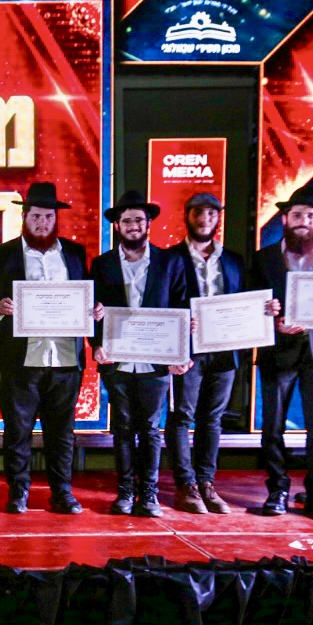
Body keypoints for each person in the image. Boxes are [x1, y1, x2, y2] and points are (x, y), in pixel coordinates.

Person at [0, 182, 99, 515]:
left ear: (55, 218)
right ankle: (18, 491)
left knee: (62, 432)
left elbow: (86, 295)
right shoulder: (1, 254)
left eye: (48, 216)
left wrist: (94, 310)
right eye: (35, 216)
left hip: (65, 357)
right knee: (17, 430)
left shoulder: (74, 253)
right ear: (24, 217)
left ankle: (62, 492)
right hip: (19, 358)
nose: (42, 223)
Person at [250, 186, 313, 526]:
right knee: (273, 426)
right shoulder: (263, 258)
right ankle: (277, 490)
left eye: (310, 215)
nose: (303, 220)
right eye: (297, 215)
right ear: (285, 219)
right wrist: (269, 316)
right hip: (279, 350)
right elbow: (248, 303)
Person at [90, 192, 190, 517]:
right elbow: (91, 312)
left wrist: (180, 352)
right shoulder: (102, 264)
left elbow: (182, 308)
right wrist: (95, 345)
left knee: (149, 429)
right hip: (116, 359)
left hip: (156, 361)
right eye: (127, 220)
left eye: (139, 220)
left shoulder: (170, 262)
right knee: (122, 427)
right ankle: (124, 493)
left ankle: (149, 494)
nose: (133, 225)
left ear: (148, 224)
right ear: (117, 226)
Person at [167, 193, 260, 515]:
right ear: (187, 216)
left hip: (224, 350)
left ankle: (206, 482)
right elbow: (161, 302)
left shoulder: (233, 260)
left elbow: (245, 301)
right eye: (198, 213)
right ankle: (186, 485)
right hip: (188, 350)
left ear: (219, 217)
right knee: (182, 416)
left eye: (211, 213)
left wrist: (262, 312)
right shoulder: (171, 258)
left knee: (213, 418)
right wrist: (180, 322)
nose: (205, 218)